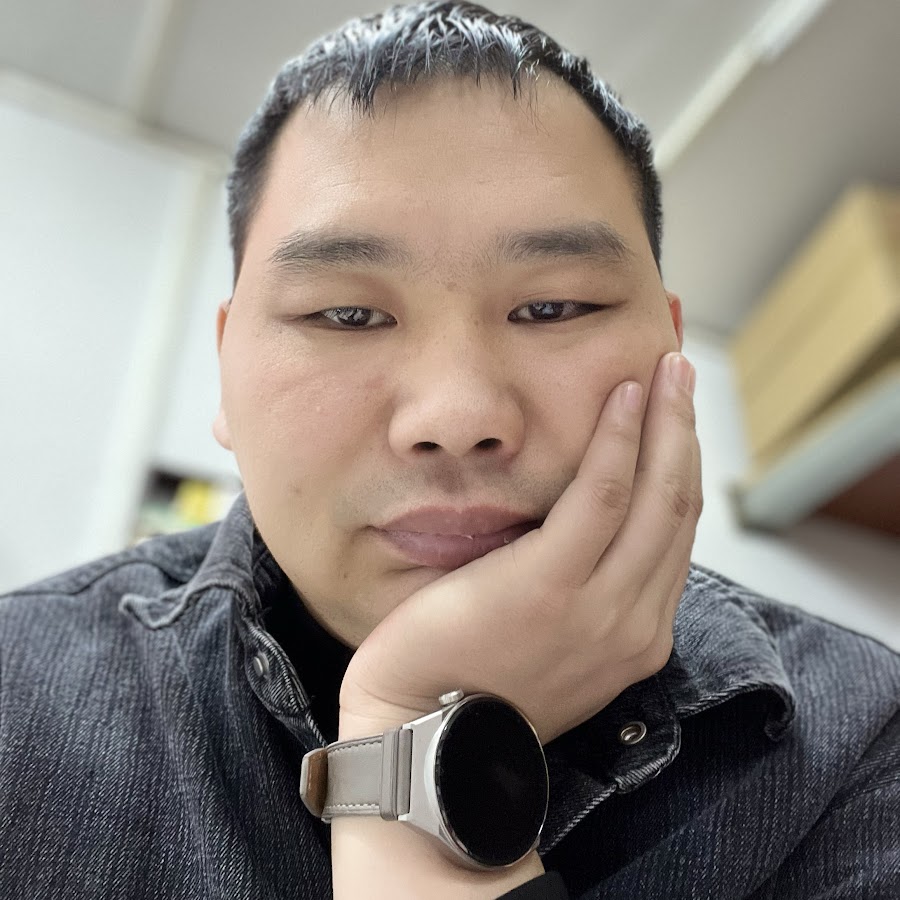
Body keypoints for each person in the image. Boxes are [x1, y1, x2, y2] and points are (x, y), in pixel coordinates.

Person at [1, 2, 898, 897]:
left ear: (672, 348)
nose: (458, 414)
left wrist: (410, 765)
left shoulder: (866, 751)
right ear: (226, 368)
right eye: (347, 315)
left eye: (553, 308)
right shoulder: (17, 691)